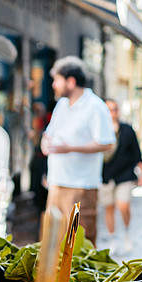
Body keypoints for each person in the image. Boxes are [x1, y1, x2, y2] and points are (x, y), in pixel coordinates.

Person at [41, 56, 115, 245]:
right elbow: (49, 134)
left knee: (80, 244)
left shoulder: (96, 106)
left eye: (57, 80)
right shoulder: (62, 105)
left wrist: (70, 148)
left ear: (71, 82)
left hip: (81, 187)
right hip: (56, 183)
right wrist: (45, 142)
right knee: (52, 243)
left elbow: (107, 143)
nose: (54, 85)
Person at [101, 99, 142, 253]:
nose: (111, 113)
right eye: (108, 110)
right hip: (106, 175)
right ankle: (112, 239)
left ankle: (127, 232)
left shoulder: (127, 129)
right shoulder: (100, 129)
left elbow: (137, 153)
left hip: (125, 174)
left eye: (113, 109)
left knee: (123, 204)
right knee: (109, 208)